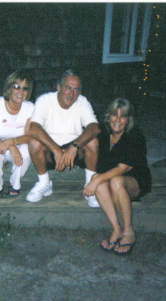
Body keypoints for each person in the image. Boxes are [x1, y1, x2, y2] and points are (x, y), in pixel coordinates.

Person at [83, 98, 151, 255]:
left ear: (129, 120)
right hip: (112, 183)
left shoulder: (135, 137)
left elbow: (123, 167)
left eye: (123, 116)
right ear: (109, 116)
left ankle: (129, 232)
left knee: (115, 180)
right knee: (100, 181)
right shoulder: (104, 135)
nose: (118, 120)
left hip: (135, 181)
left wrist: (97, 179)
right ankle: (117, 230)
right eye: (114, 114)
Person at [26, 69, 100, 207]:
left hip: (75, 152)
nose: (72, 94)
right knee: (34, 142)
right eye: (68, 88)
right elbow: (34, 128)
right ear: (59, 87)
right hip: (50, 151)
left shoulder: (82, 102)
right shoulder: (45, 100)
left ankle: (91, 186)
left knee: (93, 141)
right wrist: (56, 149)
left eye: (76, 90)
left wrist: (74, 147)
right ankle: (44, 183)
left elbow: (94, 128)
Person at [0, 70, 35, 198]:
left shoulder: (30, 107)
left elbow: (28, 136)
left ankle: (15, 182)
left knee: (28, 151)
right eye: (17, 87)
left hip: (19, 144)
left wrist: (12, 142)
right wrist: (10, 145)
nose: (20, 92)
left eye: (25, 88)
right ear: (9, 88)